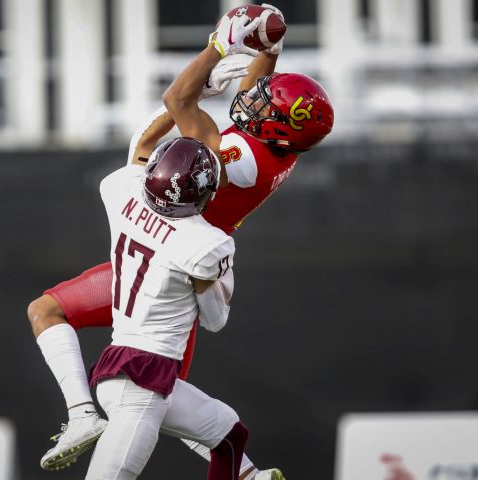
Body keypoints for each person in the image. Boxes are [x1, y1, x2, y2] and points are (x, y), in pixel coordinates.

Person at [27, 5, 333, 479]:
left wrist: (216, 49)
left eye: (263, 106)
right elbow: (248, 97)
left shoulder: (240, 164)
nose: (249, 100)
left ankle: (243, 473)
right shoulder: (275, 147)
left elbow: (177, 103)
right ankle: (85, 416)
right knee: (56, 317)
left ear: (274, 130)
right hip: (174, 250)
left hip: (176, 263)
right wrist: (268, 49)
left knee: (160, 394)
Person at [85, 135, 245, 480]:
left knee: (230, 433)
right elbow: (215, 321)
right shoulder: (206, 243)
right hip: (144, 381)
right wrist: (204, 283)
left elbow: (142, 141)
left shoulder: (120, 188)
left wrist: (176, 103)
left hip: (120, 366)